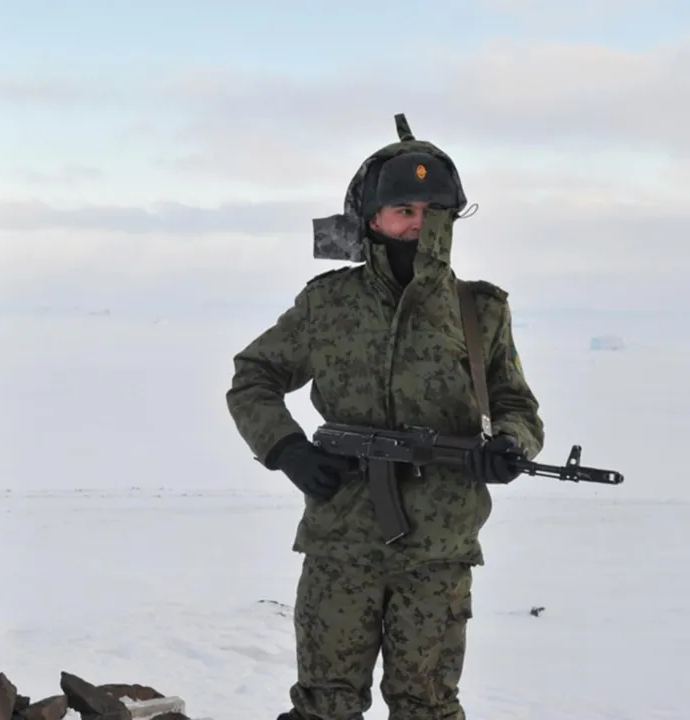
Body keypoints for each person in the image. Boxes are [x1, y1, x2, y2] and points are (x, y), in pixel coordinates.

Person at [224, 114, 545, 720]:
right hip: (340, 540)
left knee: (426, 705)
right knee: (325, 705)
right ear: (372, 220)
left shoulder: (478, 310)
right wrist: (287, 451)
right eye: (404, 210)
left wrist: (510, 444)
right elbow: (253, 378)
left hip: (438, 549)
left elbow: (516, 404)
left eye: (433, 210)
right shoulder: (328, 304)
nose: (419, 224)